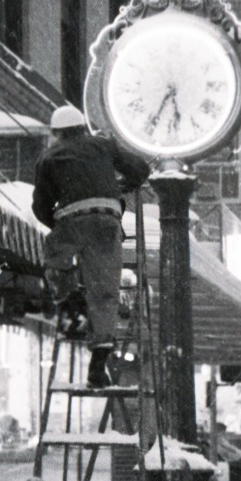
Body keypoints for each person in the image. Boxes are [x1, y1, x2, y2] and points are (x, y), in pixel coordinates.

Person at [32, 106, 151, 387]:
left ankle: (72, 305)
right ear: (83, 128)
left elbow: (40, 206)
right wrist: (124, 183)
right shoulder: (104, 145)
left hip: (72, 219)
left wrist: (58, 226)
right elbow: (140, 170)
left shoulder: (48, 157)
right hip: (108, 222)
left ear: (57, 133)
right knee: (105, 294)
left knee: (54, 260)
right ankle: (98, 367)